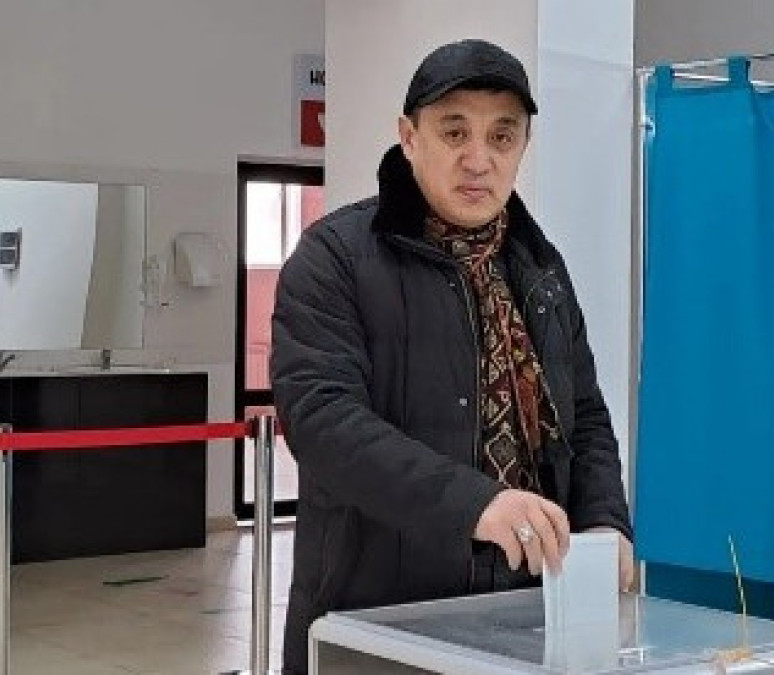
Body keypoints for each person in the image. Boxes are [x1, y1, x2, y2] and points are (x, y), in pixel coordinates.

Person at [271, 38, 634, 674]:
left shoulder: (540, 269)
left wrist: (604, 522)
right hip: (377, 623)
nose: (479, 159)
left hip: (527, 617)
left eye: (502, 137)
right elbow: (323, 422)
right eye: (454, 131)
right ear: (409, 137)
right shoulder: (335, 258)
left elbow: (584, 416)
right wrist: (476, 504)